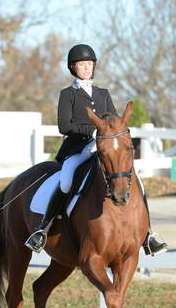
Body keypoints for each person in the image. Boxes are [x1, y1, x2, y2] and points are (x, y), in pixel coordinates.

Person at [25, 44, 167, 256]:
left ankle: (148, 234)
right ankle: (43, 228)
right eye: (82, 65)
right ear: (73, 68)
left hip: (104, 145)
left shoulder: (103, 93)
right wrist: (92, 130)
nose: (87, 68)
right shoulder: (68, 94)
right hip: (79, 147)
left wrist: (110, 130)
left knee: (138, 182)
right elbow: (64, 126)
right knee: (65, 180)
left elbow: (114, 118)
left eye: (90, 65)